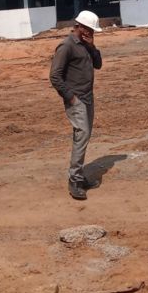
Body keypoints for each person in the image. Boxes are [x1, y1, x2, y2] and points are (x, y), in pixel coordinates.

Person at [49, 10, 103, 200]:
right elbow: (55, 76)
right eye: (90, 29)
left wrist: (92, 46)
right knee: (82, 136)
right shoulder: (67, 46)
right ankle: (75, 181)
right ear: (80, 27)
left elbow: (98, 65)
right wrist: (70, 97)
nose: (91, 33)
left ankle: (78, 176)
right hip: (76, 99)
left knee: (83, 137)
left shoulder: (86, 44)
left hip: (88, 97)